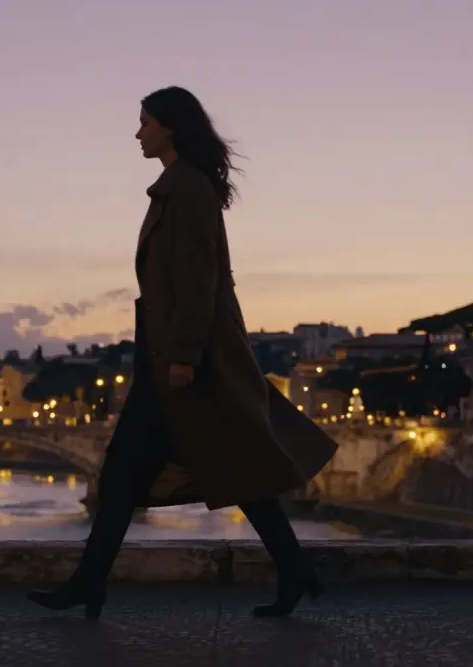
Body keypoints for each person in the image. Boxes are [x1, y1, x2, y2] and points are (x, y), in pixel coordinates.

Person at [28, 86, 339, 620]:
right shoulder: (178, 189)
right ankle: (294, 570)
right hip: (167, 357)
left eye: (144, 122)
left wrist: (184, 358)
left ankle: (89, 582)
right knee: (199, 468)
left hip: (181, 362)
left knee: (155, 471)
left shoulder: (187, 190)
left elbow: (200, 280)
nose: (137, 132)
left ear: (169, 127)